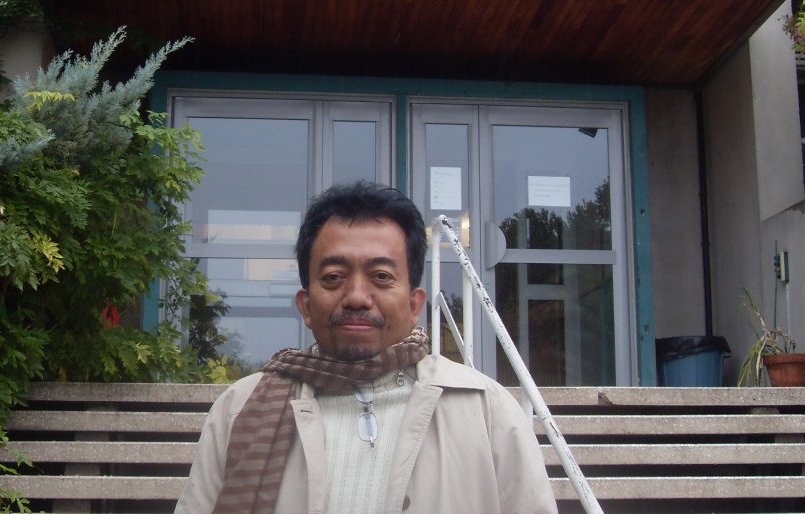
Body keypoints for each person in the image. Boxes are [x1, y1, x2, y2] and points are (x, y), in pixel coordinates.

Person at [175, 181, 557, 514]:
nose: (357, 296)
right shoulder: (239, 410)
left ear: (414, 305)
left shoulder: (487, 410)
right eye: (334, 277)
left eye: (381, 276)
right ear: (305, 306)